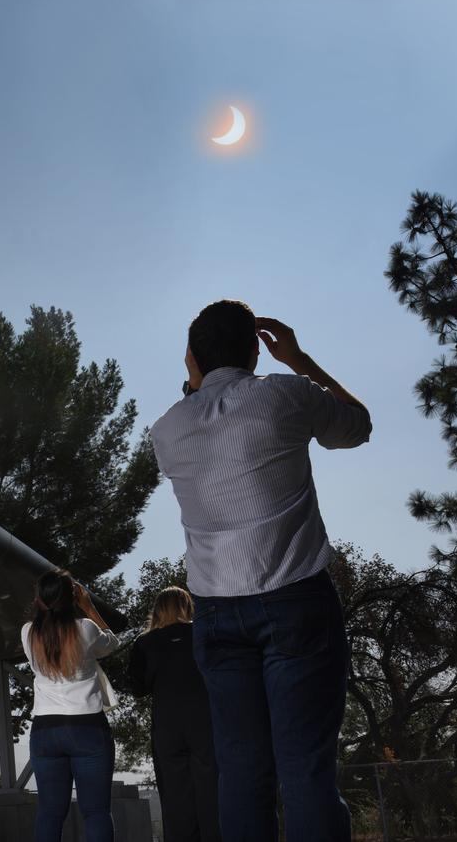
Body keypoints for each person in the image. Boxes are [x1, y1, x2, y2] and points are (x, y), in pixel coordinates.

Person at [151, 301, 371, 842]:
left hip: (217, 618)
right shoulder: (285, 394)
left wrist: (197, 377)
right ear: (256, 348)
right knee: (306, 770)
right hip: (296, 601)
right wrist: (303, 362)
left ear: (191, 359)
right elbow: (358, 427)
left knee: (242, 774)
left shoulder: (167, 432)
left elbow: (201, 404)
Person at [21, 568, 122, 842]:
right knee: (96, 812)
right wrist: (88, 606)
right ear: (71, 599)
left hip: (44, 731)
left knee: (50, 813)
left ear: (39, 599)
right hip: (87, 728)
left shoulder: (28, 633)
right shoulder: (86, 629)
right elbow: (113, 643)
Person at [127, 587, 219, 841]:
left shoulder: (144, 643)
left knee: (175, 797)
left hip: (167, 725)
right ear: (188, 606)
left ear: (157, 610)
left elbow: (137, 688)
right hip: (205, 721)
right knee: (213, 794)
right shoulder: (204, 633)